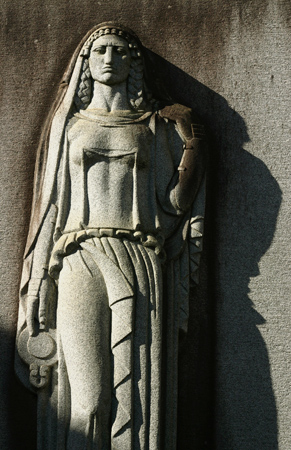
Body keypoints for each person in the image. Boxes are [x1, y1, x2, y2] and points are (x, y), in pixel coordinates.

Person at [16, 22, 207, 450]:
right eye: (100, 50)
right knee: (88, 402)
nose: (109, 59)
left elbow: (175, 206)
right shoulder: (70, 127)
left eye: (119, 52)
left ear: (133, 64)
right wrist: (38, 290)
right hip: (78, 255)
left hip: (137, 255)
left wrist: (192, 145)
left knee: (134, 399)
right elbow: (50, 209)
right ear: (85, 62)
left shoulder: (153, 127)